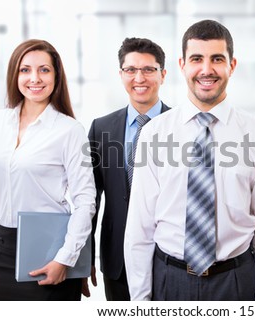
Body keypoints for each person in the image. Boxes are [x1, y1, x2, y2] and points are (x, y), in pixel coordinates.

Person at [124, 19, 255, 301]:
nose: (206, 70)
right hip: (168, 279)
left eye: (217, 59)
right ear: (182, 64)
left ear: (232, 65)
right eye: (197, 58)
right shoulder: (154, 133)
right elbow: (140, 227)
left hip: (235, 281)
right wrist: (140, 303)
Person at [0, 39, 96, 300]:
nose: (35, 78)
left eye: (44, 69)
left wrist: (65, 258)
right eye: (25, 70)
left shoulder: (69, 130)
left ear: (56, 75)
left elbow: (85, 200)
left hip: (48, 253)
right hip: (1, 250)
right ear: (15, 74)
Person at [87, 37, 170, 300]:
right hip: (117, 257)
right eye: (131, 70)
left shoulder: (182, 127)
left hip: (169, 256)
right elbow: (90, 199)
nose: (139, 78)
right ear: (121, 75)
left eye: (148, 69)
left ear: (163, 74)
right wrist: (84, 257)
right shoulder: (102, 129)